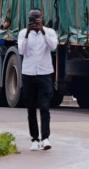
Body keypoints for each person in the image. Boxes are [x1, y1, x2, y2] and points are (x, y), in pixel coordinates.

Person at [17, 8, 58, 151]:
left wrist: (43, 32)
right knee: (31, 108)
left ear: (42, 18)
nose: (35, 20)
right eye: (32, 18)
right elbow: (21, 51)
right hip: (28, 74)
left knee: (45, 107)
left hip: (44, 73)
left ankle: (45, 138)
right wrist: (28, 34)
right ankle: (34, 139)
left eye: (37, 17)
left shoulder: (49, 32)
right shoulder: (23, 33)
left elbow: (53, 47)